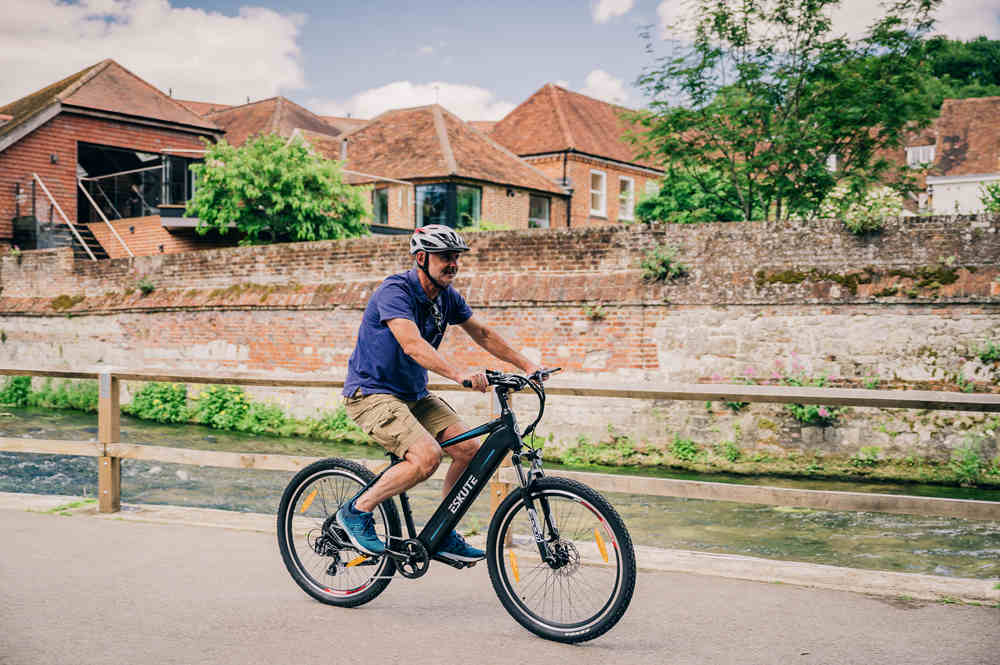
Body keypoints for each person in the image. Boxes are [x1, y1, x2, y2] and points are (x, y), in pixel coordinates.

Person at [337, 224, 541, 563]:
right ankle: (357, 511)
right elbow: (412, 344)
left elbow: (483, 333)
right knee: (427, 456)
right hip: (371, 394)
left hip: (413, 395)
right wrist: (459, 375)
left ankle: (443, 531)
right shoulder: (395, 291)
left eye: (456, 258)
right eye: (445, 257)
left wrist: (527, 365)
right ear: (421, 258)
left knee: (470, 451)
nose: (453, 264)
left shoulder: (447, 297)